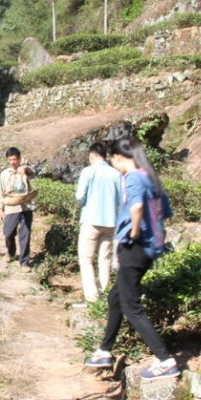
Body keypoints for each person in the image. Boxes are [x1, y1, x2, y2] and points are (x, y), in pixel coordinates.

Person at [84, 137, 179, 380]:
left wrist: (134, 232)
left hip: (134, 247)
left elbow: (136, 207)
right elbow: (162, 213)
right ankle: (104, 350)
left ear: (117, 157)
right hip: (147, 248)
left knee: (131, 306)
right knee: (116, 297)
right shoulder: (149, 176)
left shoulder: (133, 177)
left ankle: (165, 359)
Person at [74, 142, 122, 306]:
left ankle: (91, 297)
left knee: (86, 259)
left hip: (91, 220)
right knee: (104, 259)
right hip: (111, 222)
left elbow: (79, 196)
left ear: (91, 155)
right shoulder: (115, 173)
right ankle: (103, 295)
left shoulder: (88, 171)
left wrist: (86, 203)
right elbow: (120, 200)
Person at [0, 147, 36, 268]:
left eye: (15, 159)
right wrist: (0, 209)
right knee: (8, 233)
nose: (13, 162)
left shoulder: (25, 169)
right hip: (11, 207)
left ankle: (24, 262)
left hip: (26, 207)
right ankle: (11, 252)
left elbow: (32, 174)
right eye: (10, 159)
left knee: (25, 234)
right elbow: (0, 191)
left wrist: (24, 169)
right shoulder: (4, 174)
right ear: (7, 160)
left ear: (19, 159)